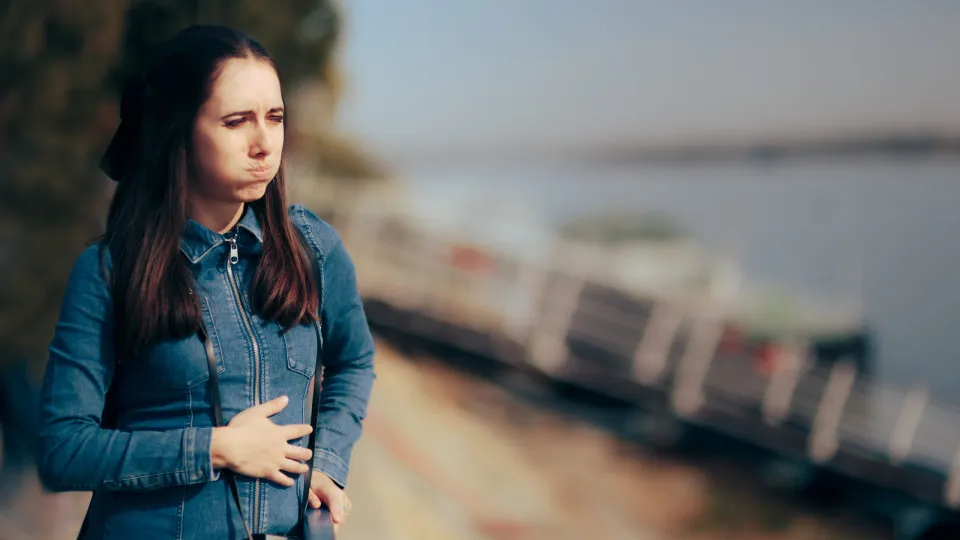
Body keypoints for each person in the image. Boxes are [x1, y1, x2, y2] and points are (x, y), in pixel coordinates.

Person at [36, 24, 376, 539]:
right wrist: (215, 448)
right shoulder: (111, 269)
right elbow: (64, 449)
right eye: (237, 121)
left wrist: (327, 461)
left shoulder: (311, 247)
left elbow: (354, 360)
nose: (265, 143)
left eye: (275, 117)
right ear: (180, 131)